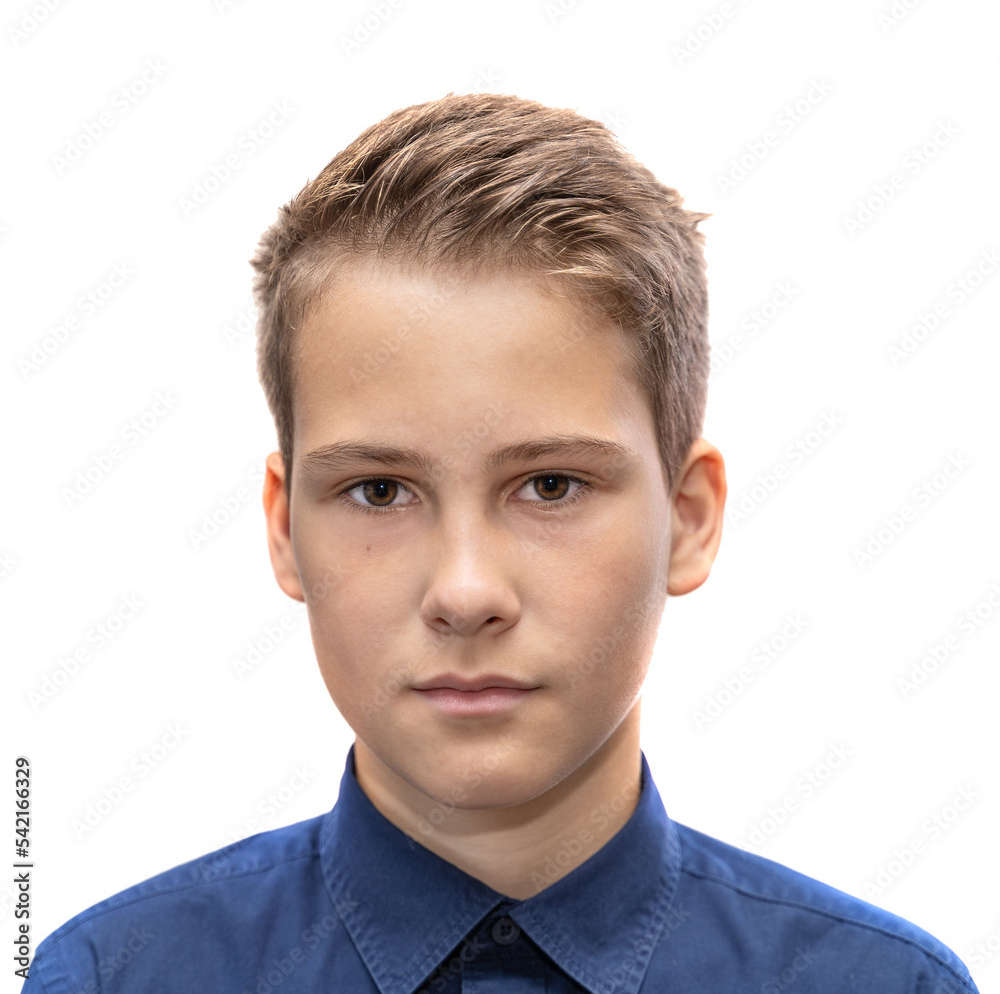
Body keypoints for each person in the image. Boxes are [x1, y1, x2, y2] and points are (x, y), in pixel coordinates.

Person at [20, 92, 979, 994]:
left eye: (551, 485)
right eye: (380, 490)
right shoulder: (116, 976)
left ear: (689, 517)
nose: (467, 590)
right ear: (283, 528)